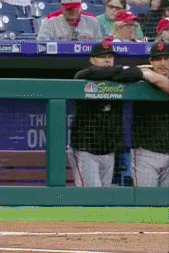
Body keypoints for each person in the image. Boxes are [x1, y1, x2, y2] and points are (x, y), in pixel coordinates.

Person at [70, 40, 144, 187]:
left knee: (104, 196)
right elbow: (91, 73)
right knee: (91, 196)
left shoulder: (120, 77)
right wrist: (120, 69)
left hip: (109, 151)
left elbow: (136, 73)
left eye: (110, 56)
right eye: (102, 56)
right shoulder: (84, 75)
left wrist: (118, 72)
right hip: (86, 150)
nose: (107, 60)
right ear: (92, 60)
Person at [133, 41, 169, 187]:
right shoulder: (138, 75)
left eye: (166, 58)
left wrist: (150, 75)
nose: (162, 63)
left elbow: (158, 80)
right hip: (146, 152)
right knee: (145, 199)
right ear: (150, 61)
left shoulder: (145, 73)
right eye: (157, 59)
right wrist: (142, 72)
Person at [37, 0, 101, 41]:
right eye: (68, 8)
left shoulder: (92, 21)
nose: (71, 11)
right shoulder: (49, 21)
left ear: (80, 6)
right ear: (61, 6)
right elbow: (41, 46)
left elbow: (100, 46)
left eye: (74, 8)